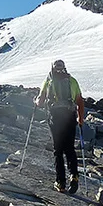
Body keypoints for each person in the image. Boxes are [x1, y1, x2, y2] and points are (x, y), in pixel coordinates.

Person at [36, 59, 85, 194]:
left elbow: (40, 102)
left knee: (58, 149)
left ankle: (60, 182)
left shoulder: (48, 80)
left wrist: (35, 101)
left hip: (55, 118)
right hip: (69, 117)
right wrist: (80, 118)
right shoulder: (72, 81)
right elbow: (80, 101)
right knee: (69, 148)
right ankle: (74, 175)